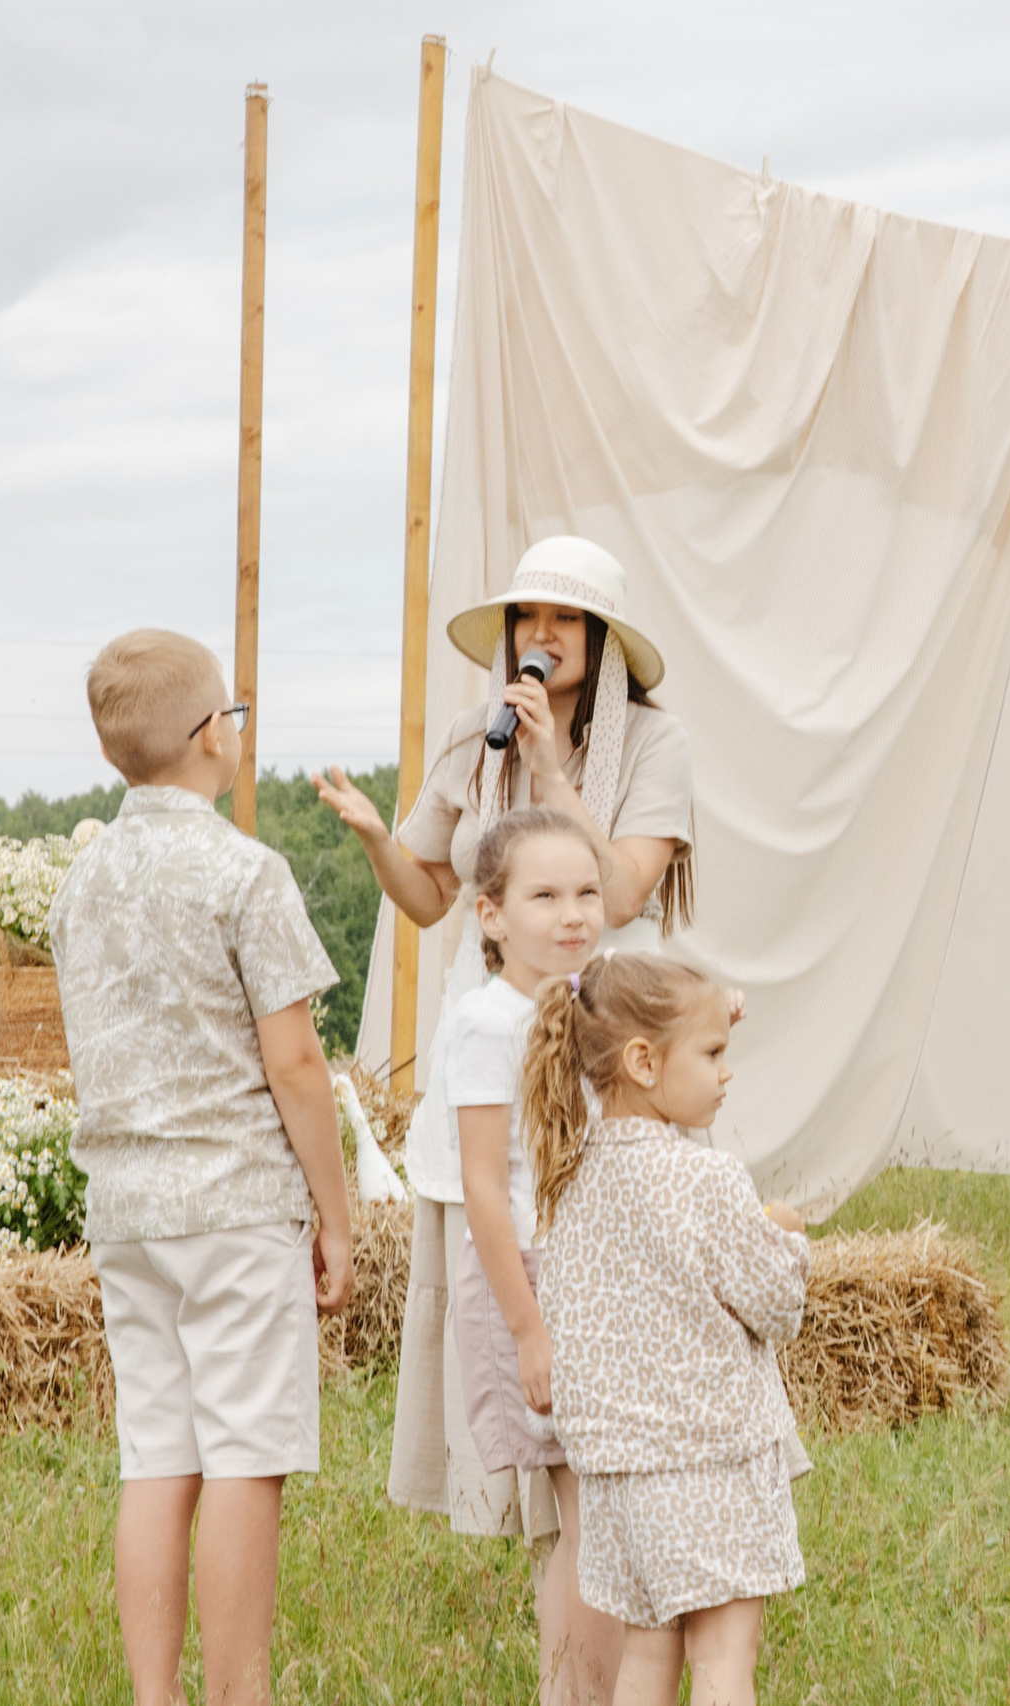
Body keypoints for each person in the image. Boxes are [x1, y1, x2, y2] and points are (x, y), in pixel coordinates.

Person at [314, 535, 696, 1546]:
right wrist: (371, 835)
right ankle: (534, 1500)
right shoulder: (471, 737)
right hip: (495, 1046)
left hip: (604, 1043)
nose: (541, 636)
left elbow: (619, 895)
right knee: (501, 1242)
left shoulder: (654, 748)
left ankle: (618, 1485)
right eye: (529, 619)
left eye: (563, 620)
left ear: (601, 641)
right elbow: (431, 897)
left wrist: (553, 767)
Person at [48, 630, 352, 1705]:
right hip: (233, 1204)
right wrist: (337, 1212)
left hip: (128, 1209)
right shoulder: (245, 872)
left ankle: (155, 1694)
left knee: (156, 1457)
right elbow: (297, 1062)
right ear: (211, 737)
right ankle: (237, 1692)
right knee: (242, 1457)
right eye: (235, 713)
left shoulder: (80, 880)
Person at [523, 950, 811, 1706]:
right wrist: (782, 1233)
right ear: (644, 1061)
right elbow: (777, 1305)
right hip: (706, 1461)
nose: (726, 1072)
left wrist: (709, 1012)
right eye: (713, 1053)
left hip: (619, 1475)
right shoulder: (705, 1179)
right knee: (723, 1658)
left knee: (646, 1662)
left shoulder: (570, 1181)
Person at [432, 807, 622, 1703]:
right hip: (530, 1289)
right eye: (544, 895)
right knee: (585, 1522)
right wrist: (530, 1331)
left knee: (606, 1515)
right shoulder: (488, 1021)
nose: (573, 913)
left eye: (587, 891)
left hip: (597, 1285)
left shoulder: (598, 1003)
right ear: (491, 914)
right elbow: (481, 1188)